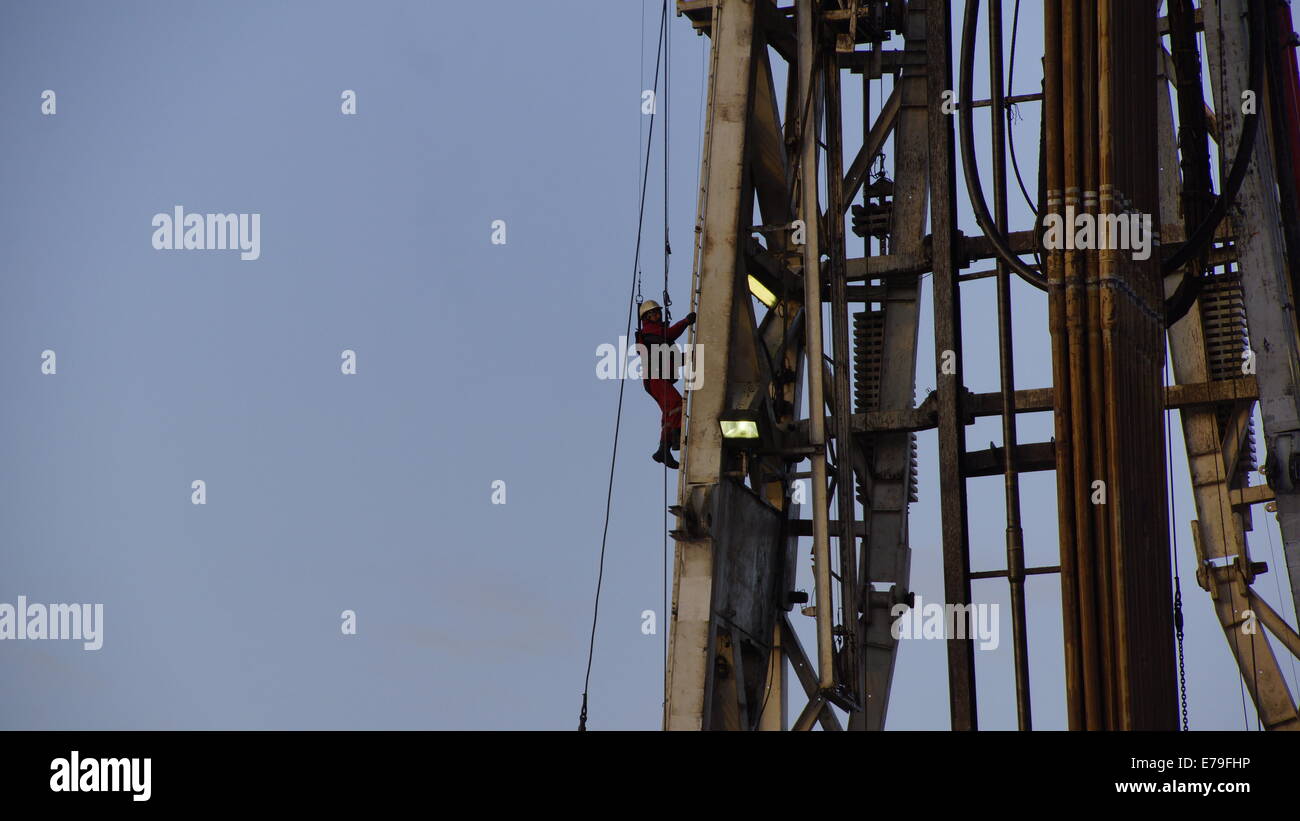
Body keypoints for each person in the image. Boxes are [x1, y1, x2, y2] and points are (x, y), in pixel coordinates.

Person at [635, 300, 696, 469]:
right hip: (655, 378)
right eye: (653, 313)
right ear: (646, 318)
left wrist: (692, 357)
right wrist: (685, 322)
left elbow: (672, 359)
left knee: (670, 411)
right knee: (676, 404)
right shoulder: (650, 332)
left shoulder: (656, 335)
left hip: (657, 379)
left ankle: (664, 448)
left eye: (657, 312)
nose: (657, 315)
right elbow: (669, 335)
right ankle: (674, 438)